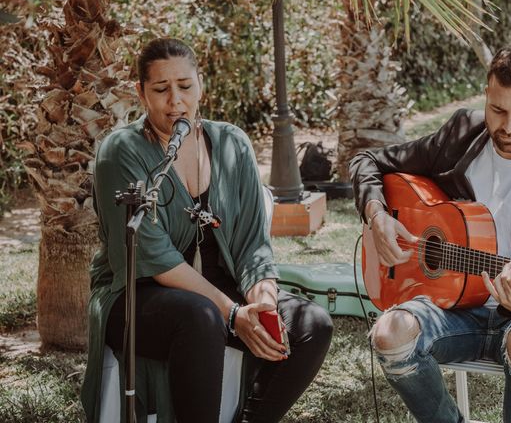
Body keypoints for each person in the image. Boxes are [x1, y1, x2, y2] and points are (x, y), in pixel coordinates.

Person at [81, 37, 333, 423]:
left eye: (185, 86)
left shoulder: (232, 143)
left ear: (201, 84)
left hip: (218, 291)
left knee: (311, 325)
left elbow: (253, 244)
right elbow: (156, 258)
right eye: (161, 90)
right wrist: (233, 314)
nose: (176, 101)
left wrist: (261, 302)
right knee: (202, 317)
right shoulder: (121, 151)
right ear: (141, 93)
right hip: (135, 293)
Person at [349, 43, 511, 423]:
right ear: (486, 94)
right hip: (457, 309)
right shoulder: (462, 134)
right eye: (498, 109)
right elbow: (367, 160)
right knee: (389, 334)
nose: (509, 125)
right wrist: (376, 214)